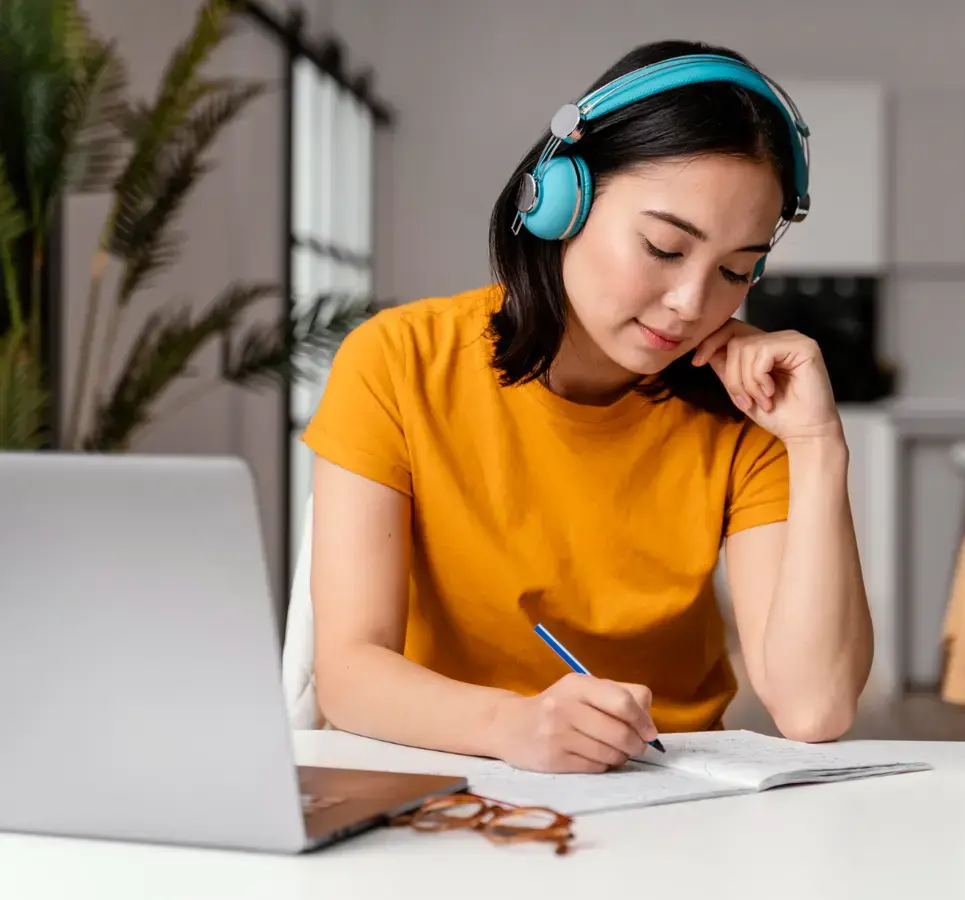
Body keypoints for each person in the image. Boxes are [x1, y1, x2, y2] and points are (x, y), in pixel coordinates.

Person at [303, 39, 873, 775]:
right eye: (665, 248)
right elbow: (349, 674)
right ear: (560, 200)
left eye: (737, 270)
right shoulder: (398, 363)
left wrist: (820, 445)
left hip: (672, 795)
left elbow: (814, 707)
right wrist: (514, 726)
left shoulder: (750, 408)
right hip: (455, 773)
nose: (692, 304)